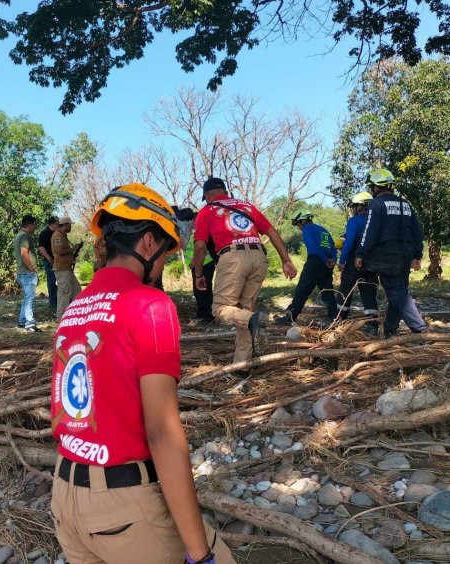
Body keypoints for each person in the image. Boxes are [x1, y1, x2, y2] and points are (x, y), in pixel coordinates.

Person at [50, 182, 233, 564]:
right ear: (149, 243)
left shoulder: (74, 308)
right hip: (122, 508)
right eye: (166, 251)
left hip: (64, 499)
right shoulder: (150, 304)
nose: (163, 263)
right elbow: (162, 433)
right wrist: (200, 555)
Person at [191, 178, 296, 364]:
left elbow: (199, 247)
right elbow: (271, 232)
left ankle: (253, 319)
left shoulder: (207, 210)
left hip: (232, 258)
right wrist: (286, 260)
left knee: (220, 309)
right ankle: (242, 365)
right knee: (243, 313)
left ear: (207, 196)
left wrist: (198, 274)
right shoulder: (246, 206)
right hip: (259, 257)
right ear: (225, 191)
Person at [355, 168, 427, 337]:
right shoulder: (406, 204)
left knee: (397, 292)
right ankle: (390, 329)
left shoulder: (376, 204)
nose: (370, 191)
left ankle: (419, 328)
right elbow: (417, 232)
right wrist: (417, 255)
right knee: (398, 290)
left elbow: (369, 231)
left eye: (371, 187)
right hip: (406, 253)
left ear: (376, 187)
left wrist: (360, 252)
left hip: (387, 254)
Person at [273, 210, 338, 325]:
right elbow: (333, 247)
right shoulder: (324, 230)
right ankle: (334, 316)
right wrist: (332, 260)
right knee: (327, 290)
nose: (299, 227)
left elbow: (313, 248)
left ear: (303, 220)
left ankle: (290, 317)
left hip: (316, 261)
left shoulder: (307, 229)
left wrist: (323, 259)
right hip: (327, 264)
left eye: (298, 224)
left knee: (302, 290)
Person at [334, 192, 379, 335]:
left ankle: (339, 320)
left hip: (354, 261)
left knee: (345, 291)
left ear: (360, 206)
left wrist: (342, 261)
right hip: (371, 262)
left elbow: (348, 243)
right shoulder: (377, 222)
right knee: (369, 293)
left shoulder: (354, 221)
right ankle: (372, 324)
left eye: (356, 206)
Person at [13, 214, 42, 333]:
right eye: (34, 225)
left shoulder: (18, 235)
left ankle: (22, 321)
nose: (35, 228)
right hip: (27, 273)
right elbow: (24, 253)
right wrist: (31, 269)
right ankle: (29, 324)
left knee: (26, 298)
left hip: (22, 272)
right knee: (30, 299)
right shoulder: (24, 236)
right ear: (29, 225)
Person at [52, 215, 83, 320]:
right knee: (64, 292)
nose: (71, 227)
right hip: (62, 269)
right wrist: (72, 249)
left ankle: (78, 312)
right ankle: (61, 316)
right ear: (65, 225)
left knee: (76, 290)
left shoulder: (62, 235)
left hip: (67, 268)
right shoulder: (57, 236)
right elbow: (59, 251)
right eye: (70, 225)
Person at [38, 216, 59, 311]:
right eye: (57, 224)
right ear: (51, 224)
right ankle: (52, 304)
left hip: (59, 261)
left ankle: (59, 302)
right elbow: (41, 248)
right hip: (49, 261)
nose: (58, 226)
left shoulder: (58, 233)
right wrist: (49, 258)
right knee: (52, 282)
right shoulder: (44, 233)